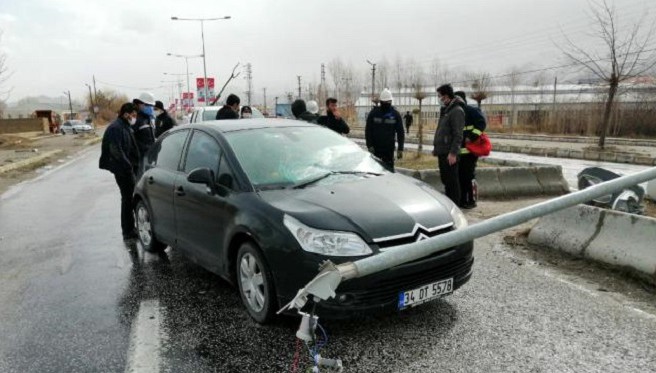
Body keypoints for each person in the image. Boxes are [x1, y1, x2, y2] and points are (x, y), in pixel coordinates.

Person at [99, 103, 141, 241]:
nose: (134, 118)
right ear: (126, 114)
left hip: (127, 168)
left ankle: (130, 228)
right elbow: (116, 150)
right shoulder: (116, 128)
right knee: (127, 199)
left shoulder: (124, 126)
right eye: (133, 115)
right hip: (122, 170)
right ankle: (128, 231)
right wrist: (128, 167)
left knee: (128, 199)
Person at [454, 91, 487, 209]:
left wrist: (472, 137)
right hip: (458, 152)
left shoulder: (471, 111)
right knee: (460, 177)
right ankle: (462, 200)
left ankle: (471, 200)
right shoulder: (454, 112)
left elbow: (481, 124)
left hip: (469, 152)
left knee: (468, 176)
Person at [433, 84, 464, 205]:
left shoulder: (456, 111)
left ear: (446, 96)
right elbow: (442, 131)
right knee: (446, 180)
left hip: (449, 154)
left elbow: (458, 134)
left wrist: (453, 153)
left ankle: (455, 205)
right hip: (443, 151)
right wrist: (437, 147)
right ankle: (450, 203)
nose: (439, 99)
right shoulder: (446, 110)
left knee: (452, 182)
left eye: (440, 96)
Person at [365, 88, 404, 171]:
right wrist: (369, 145)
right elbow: (368, 130)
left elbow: (401, 132)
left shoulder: (395, 114)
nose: (386, 104)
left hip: (388, 150)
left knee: (388, 172)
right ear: (381, 102)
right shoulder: (374, 113)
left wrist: (400, 148)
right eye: (385, 102)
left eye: (388, 102)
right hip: (375, 149)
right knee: (375, 172)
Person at [132, 92, 157, 157]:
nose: (150, 107)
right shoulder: (135, 119)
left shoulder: (148, 118)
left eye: (152, 105)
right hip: (138, 158)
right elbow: (130, 140)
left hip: (148, 157)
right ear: (140, 104)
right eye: (148, 105)